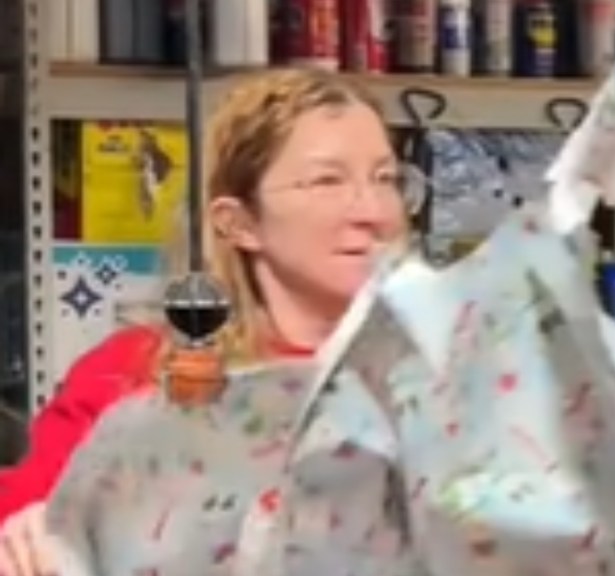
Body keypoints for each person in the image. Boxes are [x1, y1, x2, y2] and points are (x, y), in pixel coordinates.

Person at [0, 68, 408, 576]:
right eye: (328, 180)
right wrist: (21, 536)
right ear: (238, 223)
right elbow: (20, 517)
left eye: (385, 179)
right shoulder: (132, 376)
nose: (372, 210)